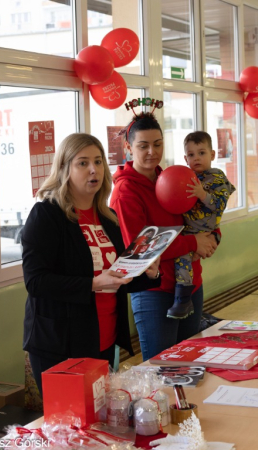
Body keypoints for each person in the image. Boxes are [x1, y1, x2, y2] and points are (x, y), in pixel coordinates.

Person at [21, 132, 161, 395]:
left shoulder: (107, 218)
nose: (93, 170)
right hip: (60, 343)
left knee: (99, 421)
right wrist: (93, 284)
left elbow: (116, 278)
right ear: (65, 169)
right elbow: (36, 281)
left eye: (98, 162)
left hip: (104, 337)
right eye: (82, 163)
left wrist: (148, 273)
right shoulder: (47, 214)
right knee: (69, 425)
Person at [110, 112, 218, 361]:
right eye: (143, 145)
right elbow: (140, 251)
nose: (152, 151)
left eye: (157, 144)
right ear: (128, 147)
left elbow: (195, 214)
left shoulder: (170, 177)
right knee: (163, 369)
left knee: (190, 364)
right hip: (154, 292)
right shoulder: (125, 191)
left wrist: (211, 235)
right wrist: (193, 243)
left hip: (191, 284)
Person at [167, 131, 236, 319]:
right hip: (189, 230)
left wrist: (202, 194)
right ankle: (183, 299)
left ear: (212, 155)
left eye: (201, 153)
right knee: (182, 260)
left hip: (205, 229)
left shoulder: (217, 176)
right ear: (185, 158)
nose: (196, 158)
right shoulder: (186, 176)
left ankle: (183, 299)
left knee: (183, 257)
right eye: (191, 155)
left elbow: (220, 205)